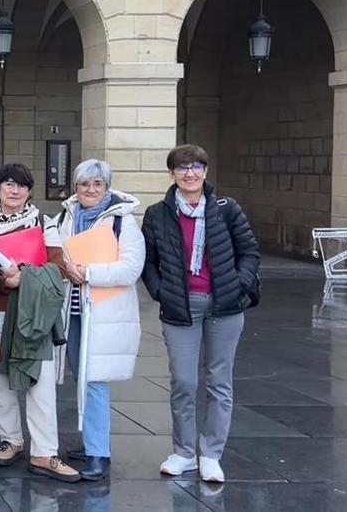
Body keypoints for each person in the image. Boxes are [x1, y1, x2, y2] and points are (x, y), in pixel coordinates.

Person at [141, 144, 260, 484]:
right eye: (182, 168)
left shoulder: (226, 209)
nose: (189, 173)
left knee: (220, 383)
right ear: (172, 174)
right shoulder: (158, 213)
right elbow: (148, 260)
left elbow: (249, 251)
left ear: (205, 172)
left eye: (196, 167)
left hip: (225, 305)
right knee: (183, 381)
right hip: (182, 306)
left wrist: (238, 285)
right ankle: (183, 452)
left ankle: (211, 454)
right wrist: (160, 290)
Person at [0, 164, 80, 483]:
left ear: (29, 191)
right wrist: (3, 281)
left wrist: (25, 278)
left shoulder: (43, 222)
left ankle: (45, 451)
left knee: (41, 380)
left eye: (21, 185)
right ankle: (11, 440)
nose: (15, 190)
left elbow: (59, 267)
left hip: (34, 312)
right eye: (8, 184)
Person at [48, 159, 145, 481]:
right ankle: (91, 442)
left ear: (106, 187)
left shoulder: (122, 222)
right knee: (81, 376)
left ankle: (99, 453)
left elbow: (131, 268)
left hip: (103, 312)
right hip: (72, 311)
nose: (90, 190)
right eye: (84, 184)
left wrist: (88, 273)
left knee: (95, 380)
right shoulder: (67, 216)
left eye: (97, 184)